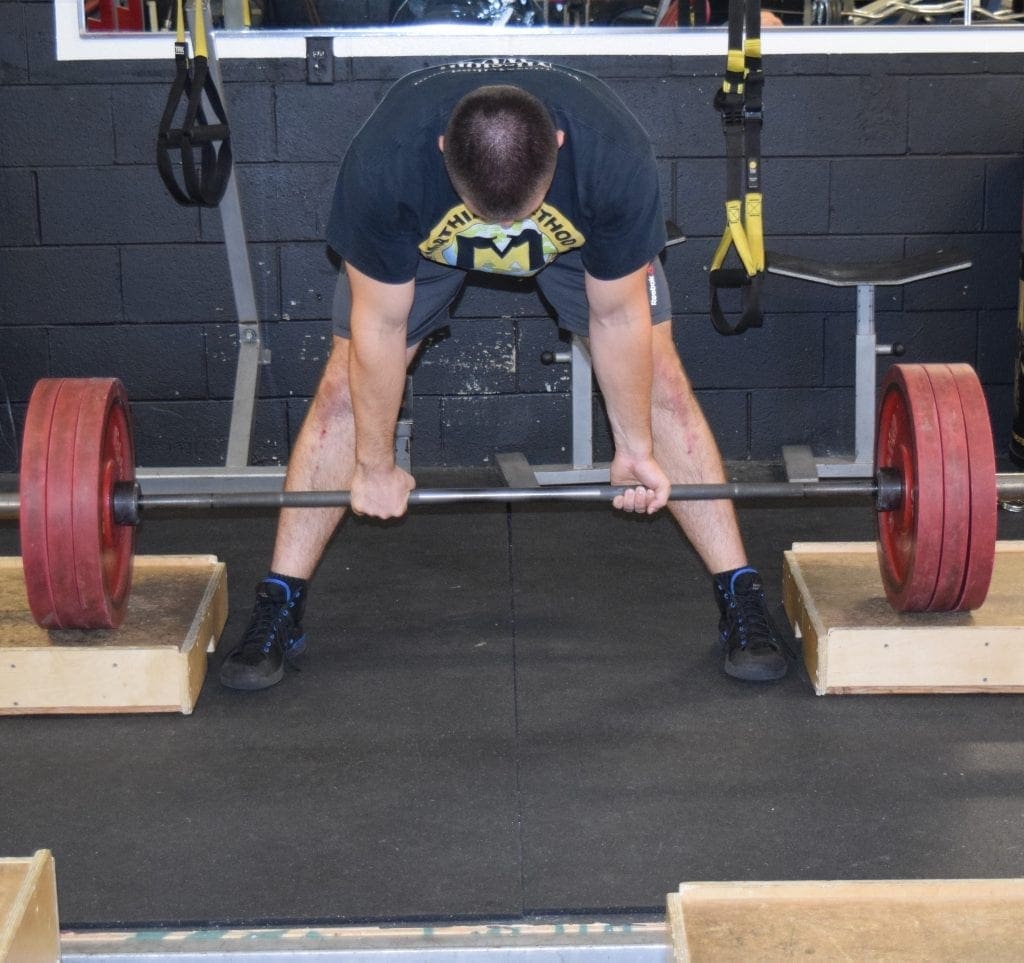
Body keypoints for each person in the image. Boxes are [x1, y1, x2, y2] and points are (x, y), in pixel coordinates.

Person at [218, 57, 788, 692]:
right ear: (441, 151)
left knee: (662, 382)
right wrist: (375, 465)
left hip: (574, 246)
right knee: (342, 390)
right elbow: (378, 330)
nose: (507, 236)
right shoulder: (387, 162)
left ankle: (739, 593)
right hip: (425, 246)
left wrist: (634, 449)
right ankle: (280, 600)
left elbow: (617, 316)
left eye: (520, 214)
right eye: (493, 218)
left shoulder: (612, 153)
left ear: (560, 146)